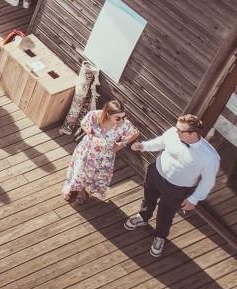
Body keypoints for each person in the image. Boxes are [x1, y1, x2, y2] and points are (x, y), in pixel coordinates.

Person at [125, 114, 221, 258]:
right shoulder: (173, 133)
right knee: (148, 198)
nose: (175, 132)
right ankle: (143, 217)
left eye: (180, 131)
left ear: (193, 134)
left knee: (166, 213)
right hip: (156, 173)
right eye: (177, 128)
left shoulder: (210, 157)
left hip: (177, 189)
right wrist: (144, 146)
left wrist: (194, 199)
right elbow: (161, 142)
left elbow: (208, 181)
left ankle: (160, 237)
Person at [62, 100, 139, 205]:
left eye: (123, 117)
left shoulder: (124, 124)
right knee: (80, 170)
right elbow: (83, 123)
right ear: (108, 114)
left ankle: (82, 191)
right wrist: (90, 134)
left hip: (105, 156)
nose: (121, 120)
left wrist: (121, 144)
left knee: (92, 175)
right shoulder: (94, 115)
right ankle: (72, 187)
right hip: (87, 150)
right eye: (118, 118)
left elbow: (135, 133)